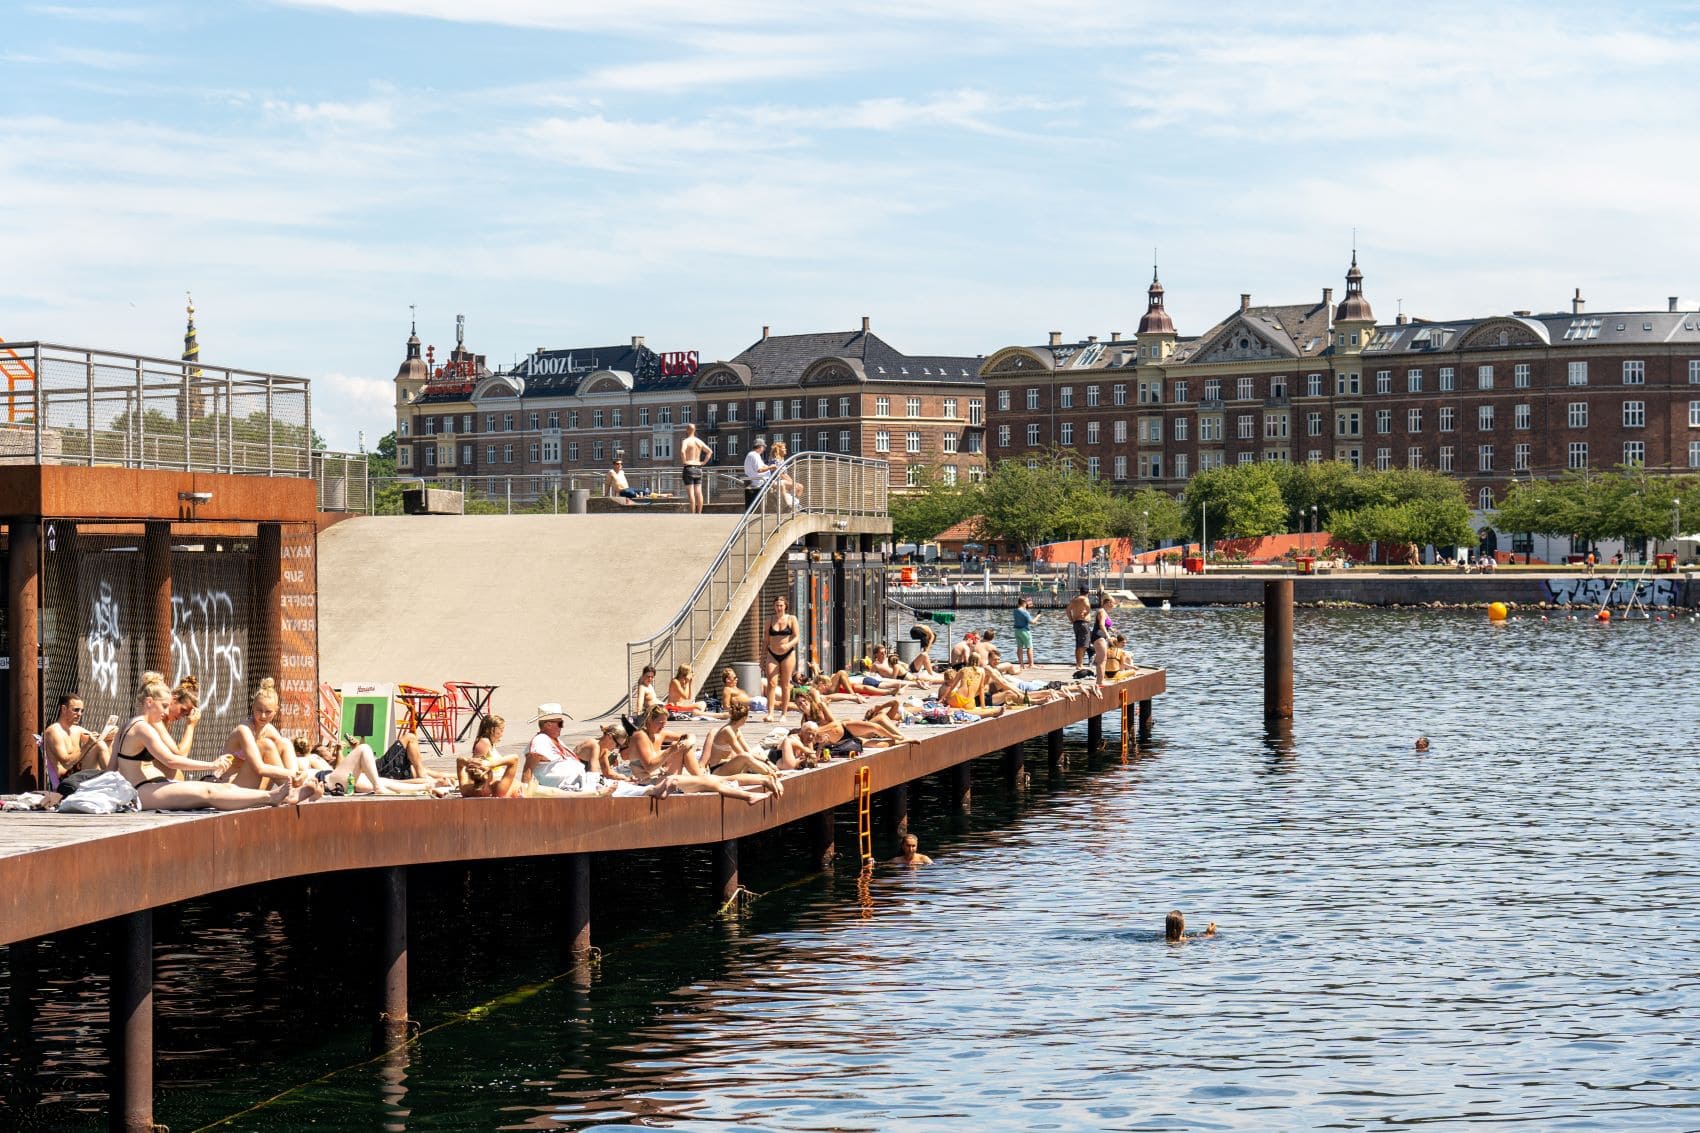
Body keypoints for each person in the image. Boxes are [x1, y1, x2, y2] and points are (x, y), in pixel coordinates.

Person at [113, 673, 315, 810]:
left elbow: (112, 765)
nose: (167, 711)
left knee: (225, 789)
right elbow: (171, 760)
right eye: (164, 706)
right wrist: (211, 764)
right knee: (208, 791)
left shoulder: (131, 725)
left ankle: (284, 796)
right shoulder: (142, 727)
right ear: (149, 703)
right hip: (141, 790)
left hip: (150, 786)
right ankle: (272, 797)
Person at [220, 678, 308, 790]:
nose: (263, 716)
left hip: (256, 784)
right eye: (259, 710)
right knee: (266, 745)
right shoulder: (244, 729)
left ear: (276, 711)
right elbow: (259, 769)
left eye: (268, 712)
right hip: (232, 785)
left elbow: (284, 753)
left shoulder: (269, 730)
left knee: (285, 743)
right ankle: (291, 788)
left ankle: (295, 784)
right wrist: (291, 774)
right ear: (252, 707)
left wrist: (297, 773)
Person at [703, 693, 785, 795]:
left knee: (752, 754)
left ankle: (770, 772)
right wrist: (768, 767)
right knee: (744, 757)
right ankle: (770, 774)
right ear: (743, 719)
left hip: (729, 765)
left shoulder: (736, 730)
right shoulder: (727, 731)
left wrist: (768, 762)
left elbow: (748, 751)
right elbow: (742, 754)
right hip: (718, 770)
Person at [43, 693, 114, 782]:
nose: (79, 714)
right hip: (65, 779)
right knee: (99, 745)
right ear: (64, 709)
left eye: (82, 711)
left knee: (104, 742)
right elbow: (66, 763)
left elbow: (99, 740)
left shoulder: (77, 729)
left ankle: (111, 777)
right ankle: (112, 780)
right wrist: (88, 744)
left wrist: (110, 735)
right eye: (76, 710)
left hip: (78, 772)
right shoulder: (54, 731)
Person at [763, 595, 801, 722]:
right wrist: (762, 658)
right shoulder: (770, 620)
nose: (779, 608)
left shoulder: (791, 619)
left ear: (785, 606)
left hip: (788, 653)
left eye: (781, 605)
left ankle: (784, 713)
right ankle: (770, 713)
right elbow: (766, 640)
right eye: (776, 605)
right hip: (772, 653)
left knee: (785, 684)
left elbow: (796, 637)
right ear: (774, 607)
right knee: (771, 683)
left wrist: (788, 645)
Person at [679, 422, 712, 514]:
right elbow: (710, 451)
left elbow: (682, 451)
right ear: (695, 430)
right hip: (698, 468)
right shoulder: (699, 441)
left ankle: (693, 514)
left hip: (689, 467)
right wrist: (703, 462)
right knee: (699, 492)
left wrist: (684, 461)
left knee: (691, 494)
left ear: (687, 430)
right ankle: (699, 513)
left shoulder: (686, 441)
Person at [1090, 594, 1119, 685]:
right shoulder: (1102, 612)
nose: (1113, 606)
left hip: (1101, 636)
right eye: (1113, 604)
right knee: (1102, 660)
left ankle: (1100, 680)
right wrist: (1108, 636)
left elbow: (1104, 625)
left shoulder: (1103, 612)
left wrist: (1111, 629)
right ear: (1108, 603)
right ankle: (1100, 681)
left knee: (1103, 659)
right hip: (1099, 637)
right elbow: (1101, 625)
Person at [1067, 585, 1093, 668]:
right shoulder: (1084, 599)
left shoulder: (1074, 599)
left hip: (1076, 623)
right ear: (1087, 592)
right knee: (1083, 645)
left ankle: (1078, 663)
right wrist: (1086, 613)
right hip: (1083, 623)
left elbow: (1068, 610)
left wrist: (1071, 619)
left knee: (1078, 645)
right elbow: (1088, 607)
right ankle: (1080, 664)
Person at [742, 438, 772, 507]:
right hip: (760, 482)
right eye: (763, 447)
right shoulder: (755, 455)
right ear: (760, 447)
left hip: (759, 481)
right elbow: (759, 469)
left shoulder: (752, 455)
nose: (764, 449)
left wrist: (767, 467)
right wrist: (771, 467)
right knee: (781, 485)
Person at [1013, 597, 1039, 668]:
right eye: (1027, 603)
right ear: (1024, 603)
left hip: (1017, 631)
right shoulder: (1025, 612)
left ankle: (1021, 665)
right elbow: (1032, 622)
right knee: (1029, 647)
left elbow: (1022, 615)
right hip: (1025, 631)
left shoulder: (1015, 611)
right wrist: (1038, 616)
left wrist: (1027, 609)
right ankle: (1031, 664)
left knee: (1019, 647)